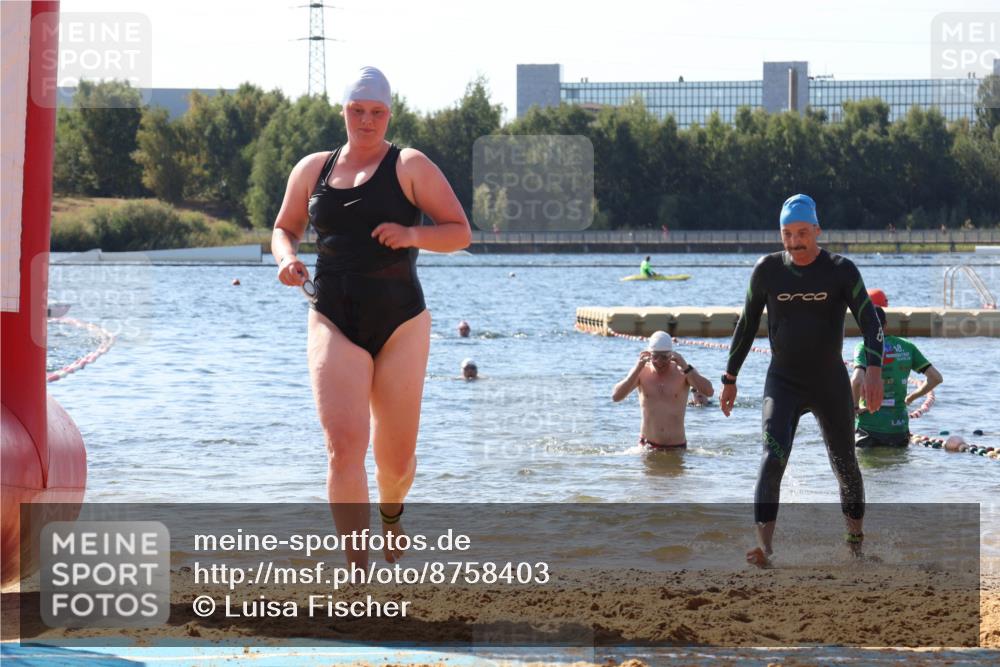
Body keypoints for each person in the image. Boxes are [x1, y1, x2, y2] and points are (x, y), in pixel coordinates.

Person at [271, 66, 471, 566]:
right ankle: (357, 571)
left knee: (395, 461)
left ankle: (392, 513)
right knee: (344, 446)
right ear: (343, 111)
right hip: (333, 316)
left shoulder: (410, 165)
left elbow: (459, 231)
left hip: (401, 321)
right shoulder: (312, 168)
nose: (366, 120)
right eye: (357, 110)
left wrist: (413, 236)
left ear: (389, 114)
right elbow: (284, 228)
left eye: (376, 112)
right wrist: (286, 259)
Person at [719, 194, 884, 567]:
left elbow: (871, 322)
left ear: (817, 230)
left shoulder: (841, 270)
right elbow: (746, 325)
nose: (795, 241)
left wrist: (874, 370)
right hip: (783, 381)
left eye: (802, 233)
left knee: (845, 465)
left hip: (830, 382)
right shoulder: (767, 270)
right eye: (788, 233)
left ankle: (855, 545)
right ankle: (765, 547)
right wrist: (730, 377)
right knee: (771, 458)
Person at [852, 306, 942, 447]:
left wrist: (854, 408)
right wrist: (910, 398)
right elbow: (936, 378)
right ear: (885, 324)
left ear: (862, 326)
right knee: (897, 466)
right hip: (898, 428)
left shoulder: (863, 347)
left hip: (869, 427)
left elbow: (857, 381)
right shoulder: (907, 346)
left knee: (869, 468)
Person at [612, 331, 714, 450]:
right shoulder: (641, 372)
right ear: (649, 354)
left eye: (664, 357)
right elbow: (616, 396)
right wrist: (637, 368)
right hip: (647, 447)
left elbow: (709, 392)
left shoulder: (683, 372)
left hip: (677, 447)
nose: (659, 362)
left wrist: (686, 367)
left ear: (672, 355)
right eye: (655, 357)